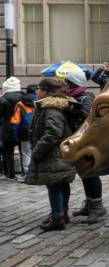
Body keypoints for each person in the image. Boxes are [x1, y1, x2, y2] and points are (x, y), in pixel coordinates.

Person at [25, 78, 76, 231]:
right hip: (59, 154)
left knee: (54, 185)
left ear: (47, 91)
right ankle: (62, 213)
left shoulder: (51, 108)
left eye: (39, 89)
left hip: (53, 155)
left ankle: (57, 217)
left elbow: (53, 133)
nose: (36, 91)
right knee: (61, 183)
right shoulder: (52, 106)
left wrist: (37, 151)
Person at [63, 70, 108, 224]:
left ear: (72, 83)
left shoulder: (86, 97)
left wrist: (72, 108)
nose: (64, 84)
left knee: (90, 172)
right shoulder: (75, 97)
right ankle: (90, 204)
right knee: (84, 173)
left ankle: (97, 207)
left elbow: (90, 118)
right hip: (78, 140)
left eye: (66, 82)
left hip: (88, 141)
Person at [10, 84, 37, 181]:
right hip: (38, 131)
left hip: (25, 132)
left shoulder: (20, 104)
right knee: (37, 152)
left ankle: (27, 174)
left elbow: (15, 121)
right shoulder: (40, 101)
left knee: (26, 153)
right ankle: (36, 174)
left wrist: (14, 134)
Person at [0, 77, 25, 179]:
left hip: (7, 128)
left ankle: (10, 173)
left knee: (8, 152)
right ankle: (24, 172)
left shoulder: (3, 99)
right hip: (23, 127)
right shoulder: (24, 97)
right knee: (24, 151)